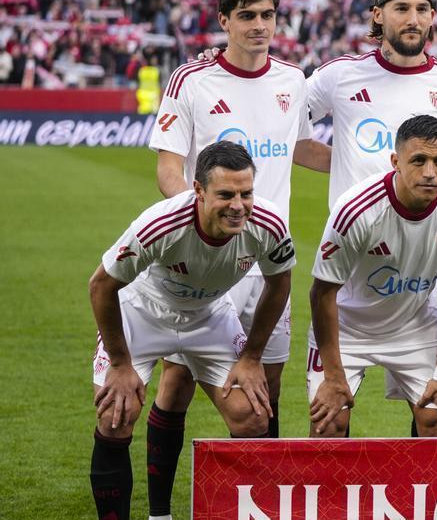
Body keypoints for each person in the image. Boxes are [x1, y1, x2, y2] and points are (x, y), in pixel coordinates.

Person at [145, 0, 329, 520]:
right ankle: (158, 512)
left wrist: (370, 171)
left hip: (269, 262)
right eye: (246, 16)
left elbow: (299, 149)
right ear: (224, 20)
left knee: (264, 390)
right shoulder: (191, 80)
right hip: (207, 260)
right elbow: (168, 167)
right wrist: (201, 222)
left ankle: (261, 508)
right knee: (176, 382)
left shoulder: (293, 81)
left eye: (267, 15)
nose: (258, 26)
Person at [305, 0, 437, 435]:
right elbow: (284, 128)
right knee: (328, 422)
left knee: (436, 419)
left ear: (433, 17)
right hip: (353, 259)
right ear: (379, 15)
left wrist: (434, 183)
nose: (412, 18)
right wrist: (346, 167)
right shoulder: (339, 76)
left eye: (421, 9)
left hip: (425, 272)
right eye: (401, 8)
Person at [88, 141, 294, 520]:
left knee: (252, 416)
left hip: (209, 314)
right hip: (144, 312)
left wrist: (251, 357)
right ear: (198, 191)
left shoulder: (268, 223)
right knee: (115, 415)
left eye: (246, 193)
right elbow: (101, 285)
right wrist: (120, 363)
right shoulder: (161, 224)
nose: (238, 205)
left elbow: (280, 282)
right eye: (226, 194)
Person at [306, 116, 437, 438]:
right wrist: (333, 376)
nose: (430, 173)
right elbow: (322, 293)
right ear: (395, 162)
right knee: (328, 424)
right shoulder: (357, 211)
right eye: (418, 160)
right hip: (348, 327)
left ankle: (423, 491)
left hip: (413, 324)